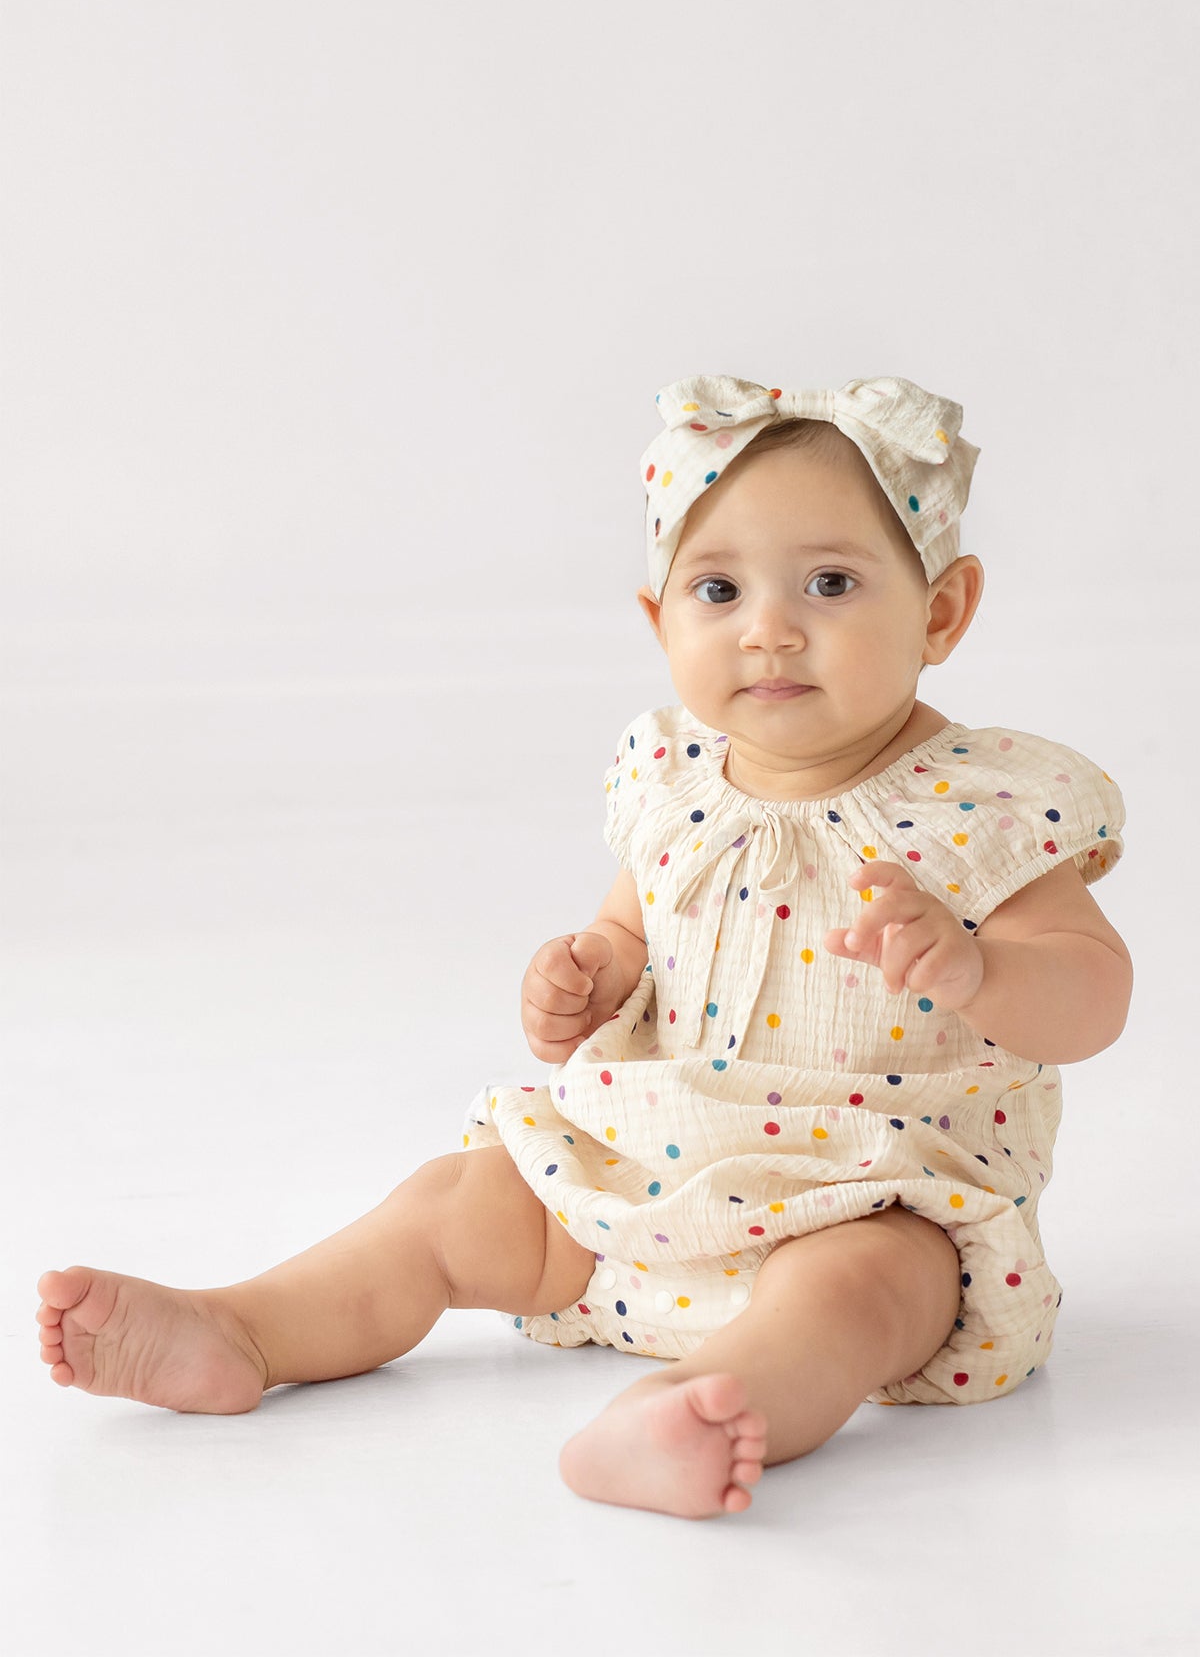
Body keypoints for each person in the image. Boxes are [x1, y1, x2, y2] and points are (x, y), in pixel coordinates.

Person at [35, 372, 1133, 1521]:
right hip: (642, 1182)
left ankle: (700, 1405)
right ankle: (245, 1328)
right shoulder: (674, 781)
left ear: (942, 613)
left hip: (872, 1193)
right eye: (718, 588)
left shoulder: (983, 808)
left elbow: (1096, 992)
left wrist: (982, 971)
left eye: (831, 582)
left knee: (859, 1296)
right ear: (662, 624)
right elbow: (629, 928)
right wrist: (591, 971)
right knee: (454, 1201)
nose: (770, 627)